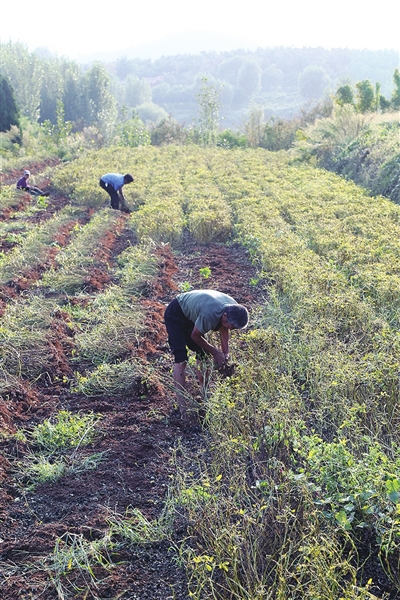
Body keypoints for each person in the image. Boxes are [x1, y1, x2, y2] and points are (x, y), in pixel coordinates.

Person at [164, 289, 249, 419]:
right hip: (176, 312)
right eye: (232, 326)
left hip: (192, 315)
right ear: (224, 316)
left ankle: (205, 393)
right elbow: (195, 336)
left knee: (203, 353)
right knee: (181, 359)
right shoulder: (210, 314)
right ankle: (182, 408)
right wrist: (215, 352)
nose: (231, 329)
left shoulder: (234, 309)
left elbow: (224, 329)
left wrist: (225, 354)